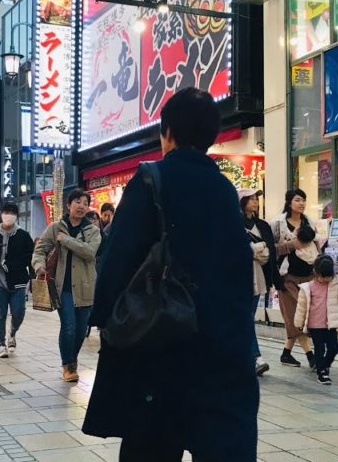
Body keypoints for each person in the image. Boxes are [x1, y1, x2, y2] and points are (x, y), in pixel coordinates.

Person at [83, 88, 259, 462]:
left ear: (167, 134)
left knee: (151, 447)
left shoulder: (150, 180)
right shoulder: (226, 191)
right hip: (224, 352)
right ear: (211, 136)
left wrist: (102, 321)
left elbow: (117, 259)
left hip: (161, 348)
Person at [33, 189, 101, 382]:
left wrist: (66, 240)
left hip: (85, 286)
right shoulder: (55, 227)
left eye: (85, 203)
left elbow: (89, 252)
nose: (81, 206)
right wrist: (39, 266)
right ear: (69, 205)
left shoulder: (93, 230)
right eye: (77, 202)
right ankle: (67, 366)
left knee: (81, 330)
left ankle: (73, 360)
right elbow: (40, 249)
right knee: (69, 326)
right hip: (62, 286)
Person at [272, 189, 322, 369]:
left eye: (304, 200)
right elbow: (273, 250)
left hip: (309, 276)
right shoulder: (278, 223)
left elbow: (316, 246)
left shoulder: (308, 221)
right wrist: (292, 245)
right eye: (298, 200)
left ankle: (286, 353)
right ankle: (311, 356)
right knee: (296, 317)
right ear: (289, 202)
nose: (301, 203)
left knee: (304, 316)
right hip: (287, 277)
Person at [0, 203, 34, 358]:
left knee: (18, 312)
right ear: (1, 214)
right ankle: (1, 344)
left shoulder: (23, 235)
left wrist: (13, 265)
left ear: (16, 215)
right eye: (6, 212)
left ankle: (12, 333)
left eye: (12, 212)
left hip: (18, 281)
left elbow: (29, 257)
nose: (8, 215)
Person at [294, 255, 338, 385]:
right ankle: (321, 372)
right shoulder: (308, 287)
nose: (326, 279)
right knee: (319, 348)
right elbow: (301, 307)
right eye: (323, 276)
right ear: (315, 273)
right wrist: (299, 323)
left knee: (334, 348)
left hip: (330, 323)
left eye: (329, 276)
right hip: (315, 324)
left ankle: (325, 365)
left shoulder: (335, 285)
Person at [239, 187, 276, 376]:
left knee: (247, 317)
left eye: (256, 199)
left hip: (259, 276)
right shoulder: (234, 223)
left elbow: (271, 251)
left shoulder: (262, 225)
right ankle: (256, 357)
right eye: (251, 198)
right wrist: (256, 249)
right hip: (241, 277)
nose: (255, 202)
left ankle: (245, 356)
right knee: (246, 318)